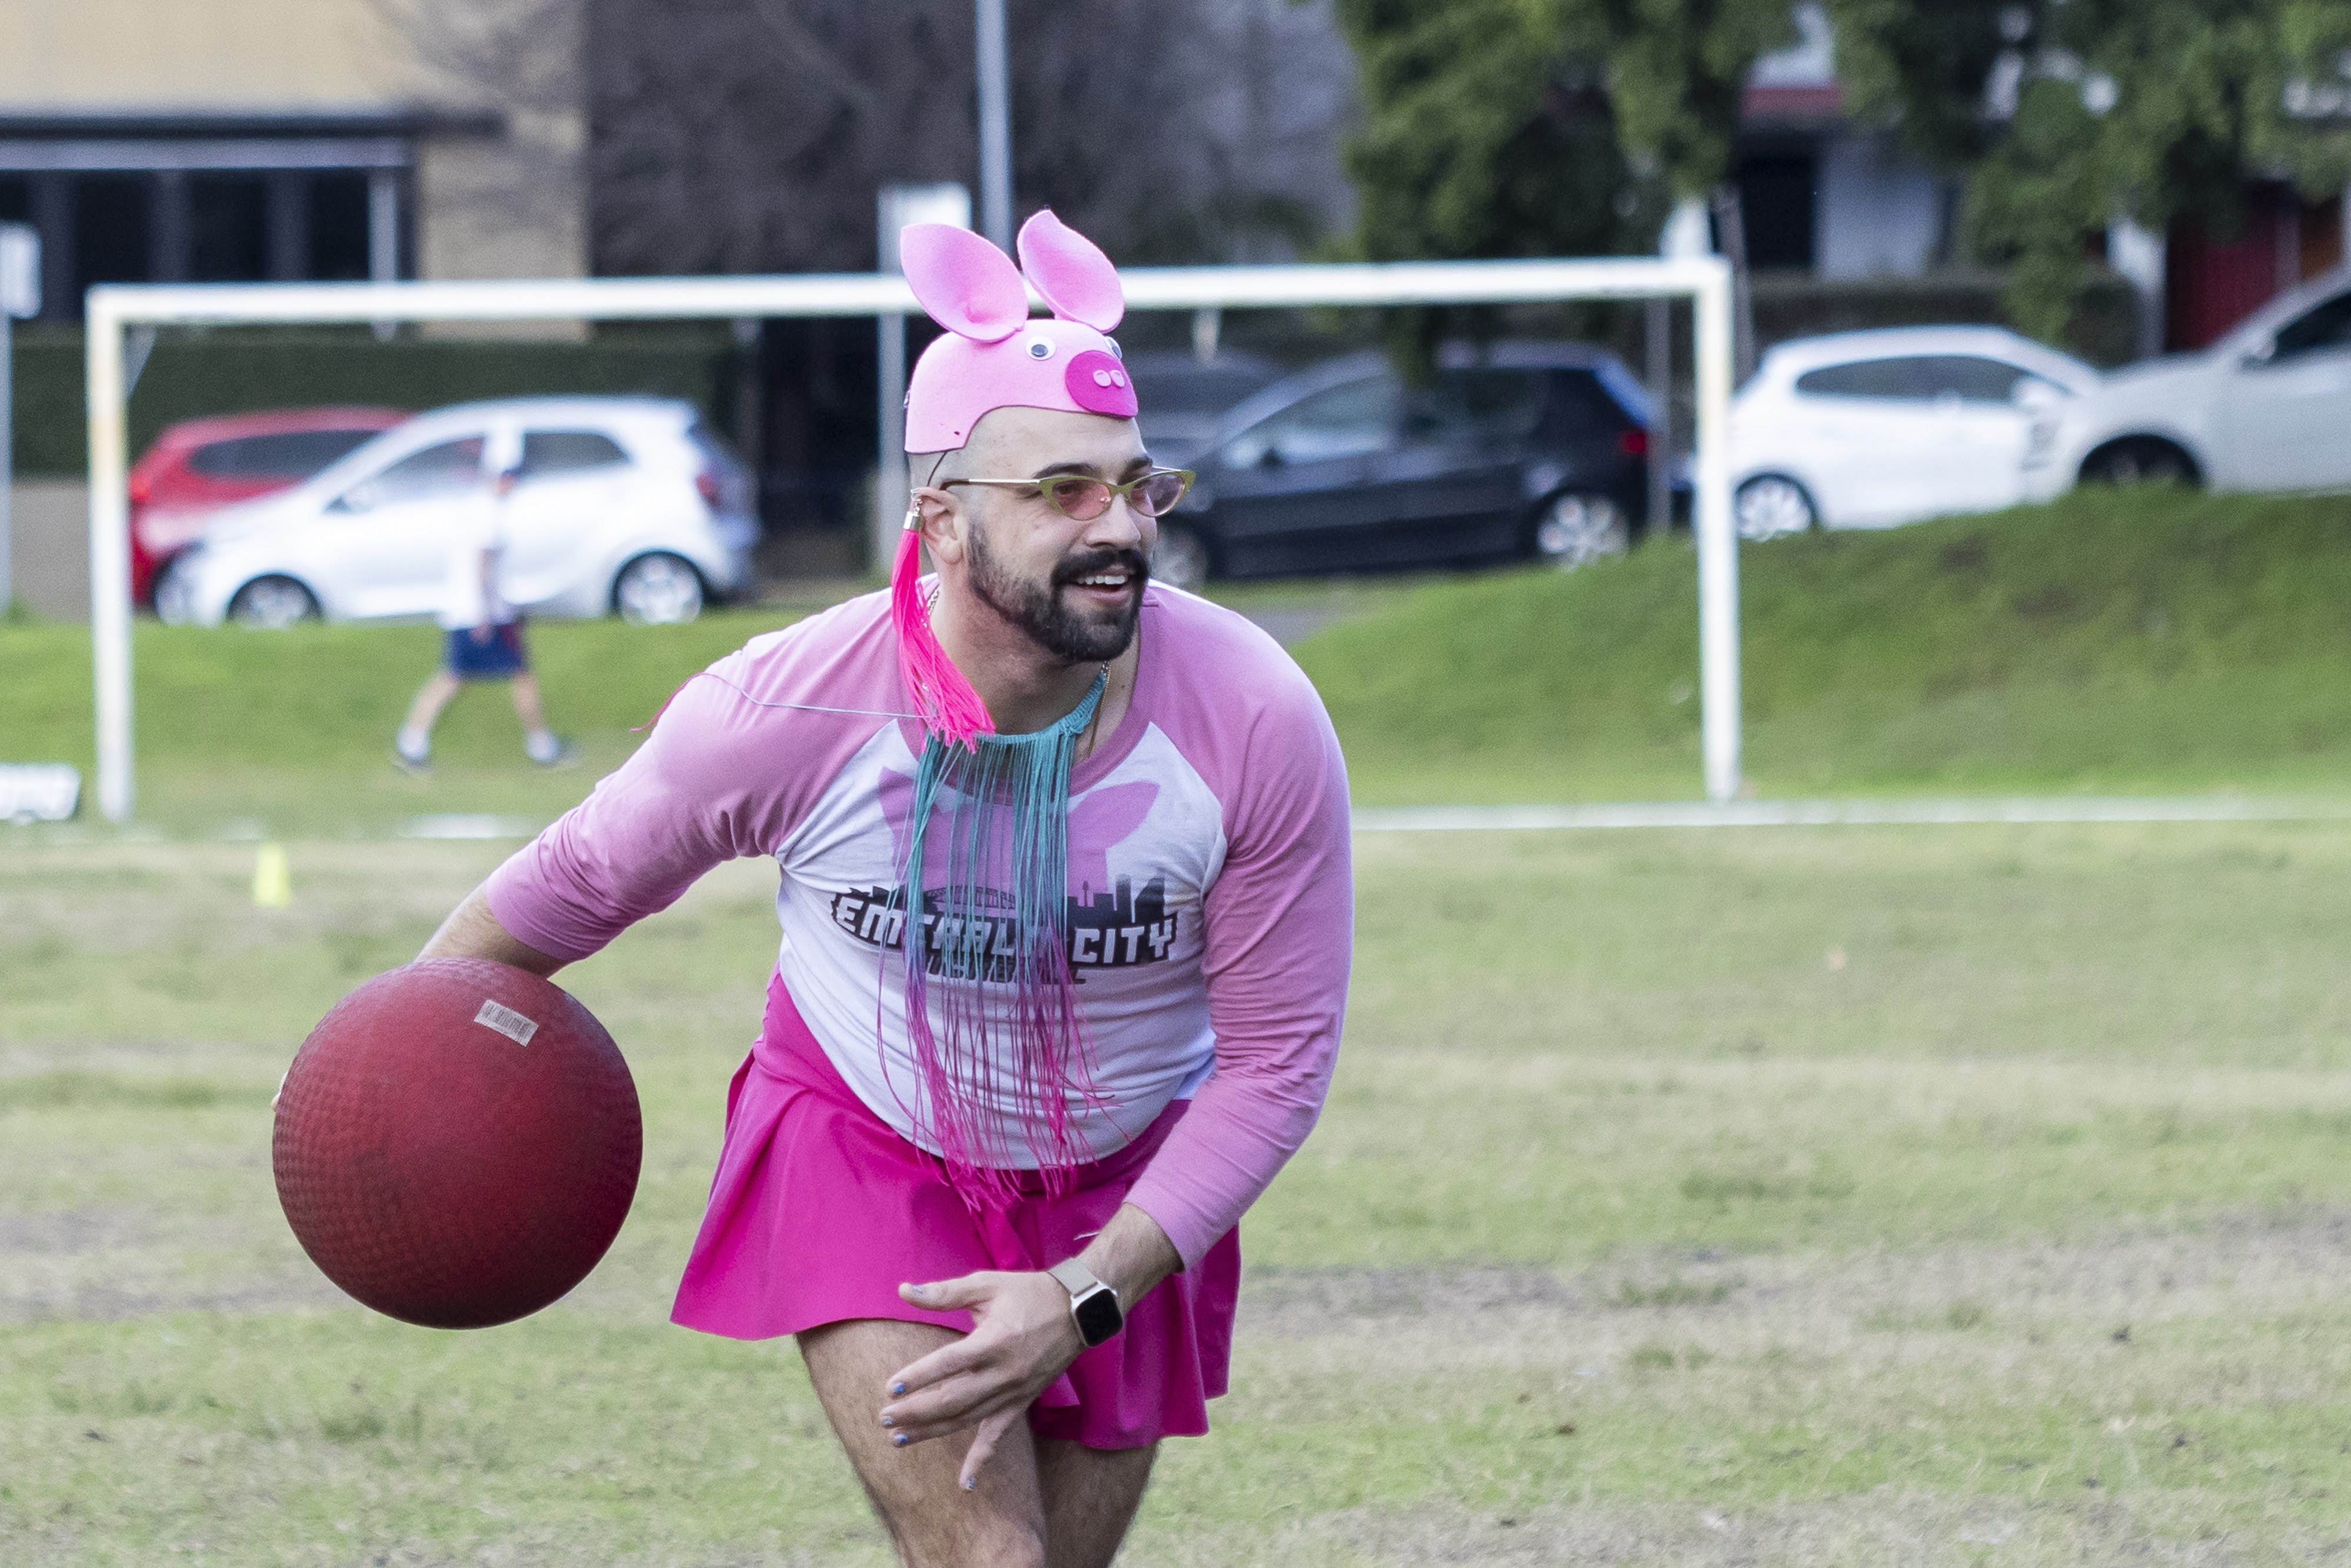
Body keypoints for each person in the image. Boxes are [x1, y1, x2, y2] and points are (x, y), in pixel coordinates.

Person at [410, 212, 1352, 1568]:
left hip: (1130, 1189)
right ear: (939, 513)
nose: (1120, 528)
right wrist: (382, 1065)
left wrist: (1086, 1293)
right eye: (1062, 491)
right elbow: (554, 899)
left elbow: (1275, 1065)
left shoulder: (1252, 715)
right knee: (992, 1560)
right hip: (868, 1144)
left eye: (1140, 486)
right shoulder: (785, 704)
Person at [393, 426, 574, 773]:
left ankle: (413, 741)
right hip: (483, 612)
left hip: (476, 609)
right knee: (502, 675)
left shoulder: (478, 507)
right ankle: (539, 745)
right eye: (511, 476)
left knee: (459, 677)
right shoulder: (489, 513)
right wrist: (486, 614)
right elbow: (483, 568)